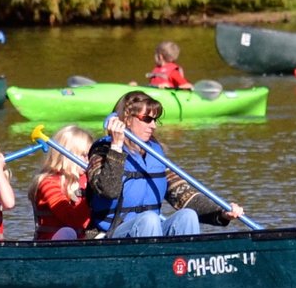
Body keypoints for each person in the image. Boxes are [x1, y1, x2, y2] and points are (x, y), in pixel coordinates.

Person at [85, 92, 242, 238]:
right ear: (125, 119)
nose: (153, 126)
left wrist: (220, 213)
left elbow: (184, 196)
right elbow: (108, 191)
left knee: (187, 216)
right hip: (109, 235)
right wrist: (116, 147)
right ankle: (150, 267)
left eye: (155, 120)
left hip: (149, 231)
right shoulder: (102, 152)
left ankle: (184, 264)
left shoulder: (154, 154)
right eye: (147, 119)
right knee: (149, 219)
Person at [32, 124, 94, 240]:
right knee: (68, 232)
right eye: (84, 155)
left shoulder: (86, 178)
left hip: (81, 242)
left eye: (90, 155)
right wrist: (92, 193)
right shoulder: (48, 182)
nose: (88, 160)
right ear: (66, 156)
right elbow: (72, 219)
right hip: (51, 245)